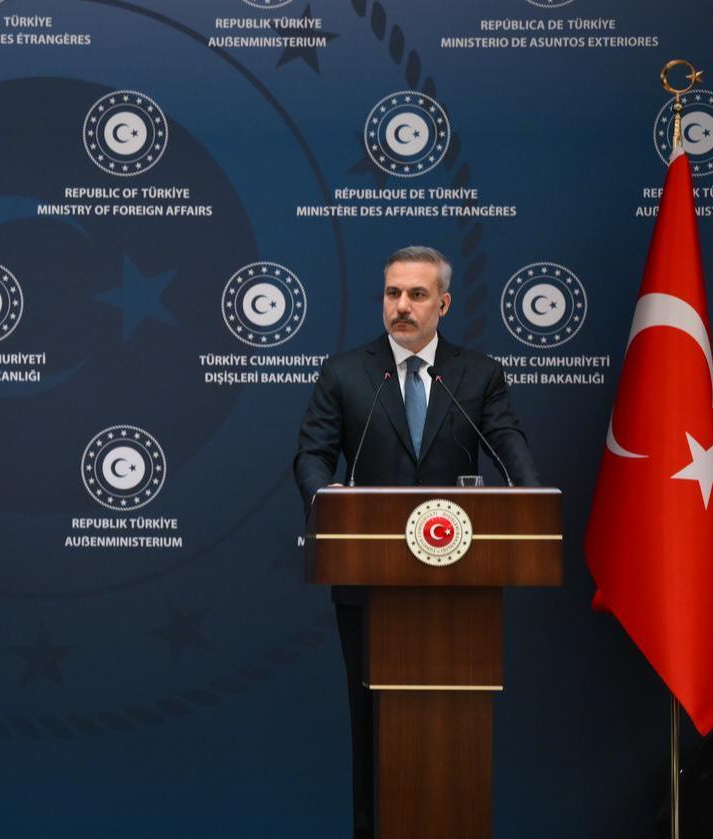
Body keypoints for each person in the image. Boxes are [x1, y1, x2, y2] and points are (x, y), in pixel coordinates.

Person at [292, 246, 539, 838]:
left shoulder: (477, 374)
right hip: (367, 582)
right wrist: (328, 506)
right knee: (371, 728)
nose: (401, 307)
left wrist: (531, 500)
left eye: (417, 295)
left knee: (453, 730)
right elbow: (312, 456)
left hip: (460, 586)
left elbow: (507, 443)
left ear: (444, 304)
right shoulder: (347, 373)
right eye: (392, 293)